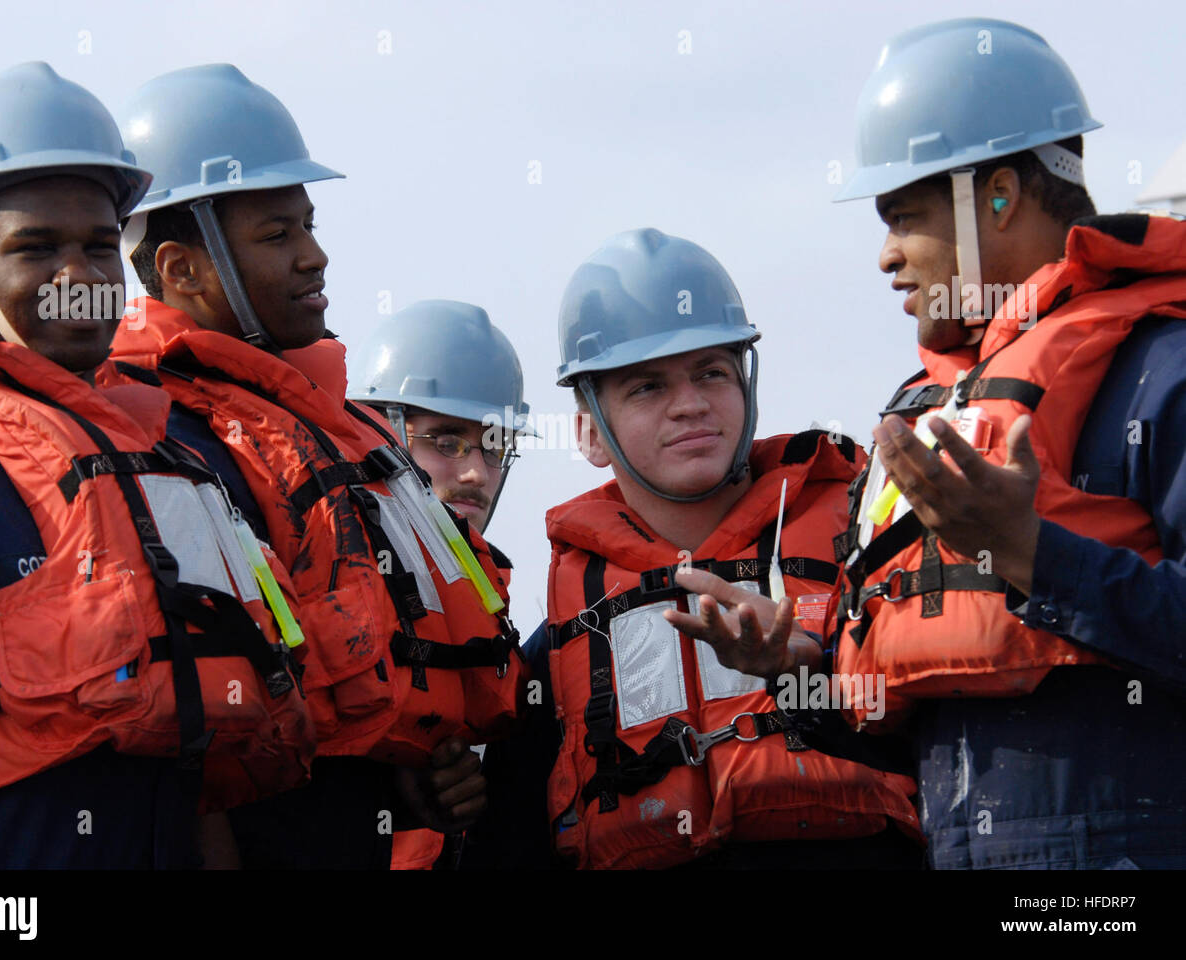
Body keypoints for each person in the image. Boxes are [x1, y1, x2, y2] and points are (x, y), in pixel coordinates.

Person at [700, 18, 1186, 869]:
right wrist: (793, 671)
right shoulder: (933, 416)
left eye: (903, 217)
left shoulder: (1160, 369)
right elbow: (904, 727)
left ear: (997, 194)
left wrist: (1028, 552)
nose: (886, 257)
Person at [0, 63, 315, 869]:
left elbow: (191, 766)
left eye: (95, 247)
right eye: (36, 249)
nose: (77, 278)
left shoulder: (173, 472)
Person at [106, 66, 525, 868]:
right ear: (180, 268)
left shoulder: (330, 429)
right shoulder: (152, 440)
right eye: (278, 235)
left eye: (309, 225)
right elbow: (188, 736)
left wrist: (411, 779)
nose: (315, 257)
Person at [463, 228, 922, 869]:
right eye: (647, 387)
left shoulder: (865, 552)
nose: (691, 405)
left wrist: (806, 677)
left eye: (712, 372)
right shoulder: (550, 657)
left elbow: (950, 744)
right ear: (591, 434)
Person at [349, 299, 533, 867]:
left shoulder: (516, 644)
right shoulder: (329, 593)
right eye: (446, 442)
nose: (476, 471)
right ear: (382, 436)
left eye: (495, 446)